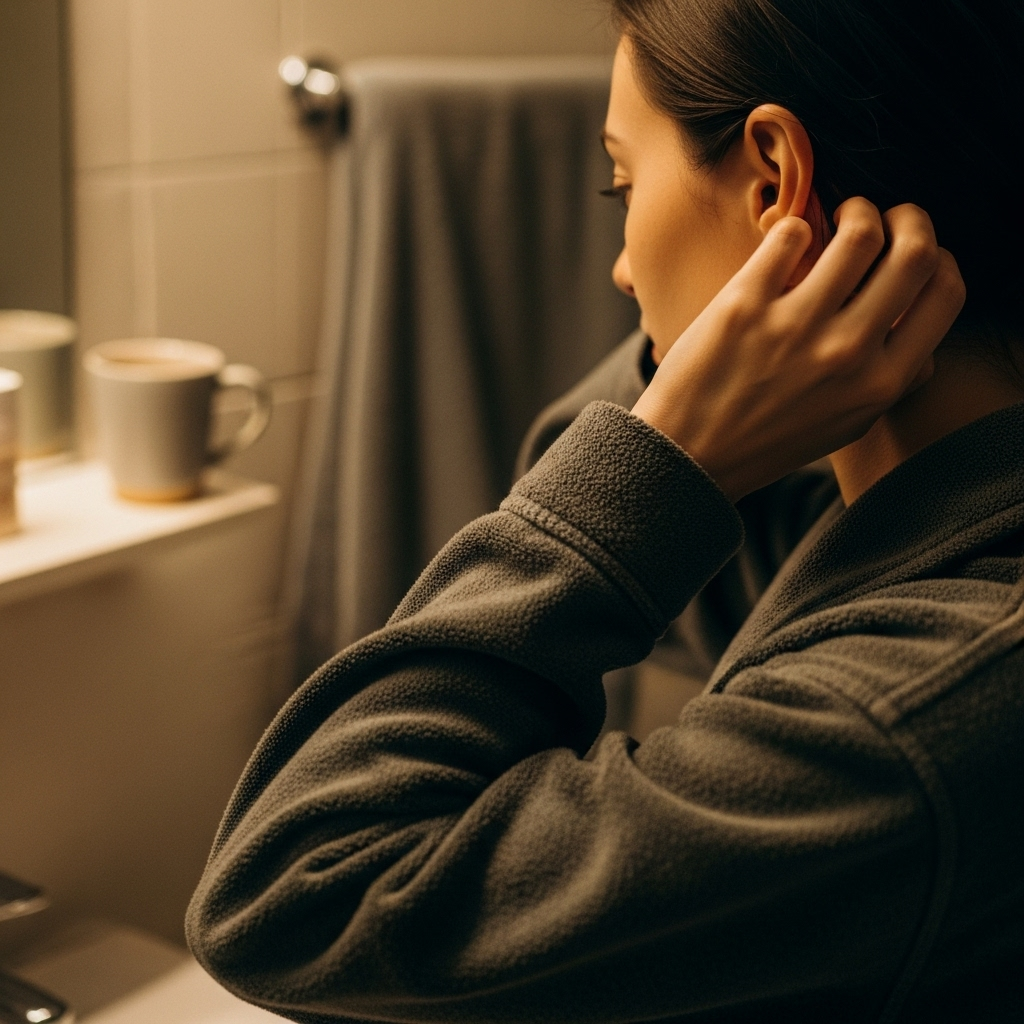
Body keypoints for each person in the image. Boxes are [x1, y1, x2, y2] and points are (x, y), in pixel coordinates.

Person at [186, 1, 1023, 1021]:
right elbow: (581, 470)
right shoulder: (897, 531)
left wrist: (676, 441)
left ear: (773, 183)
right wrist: (691, 402)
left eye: (620, 181)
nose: (621, 270)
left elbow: (293, 894)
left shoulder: (895, 729)